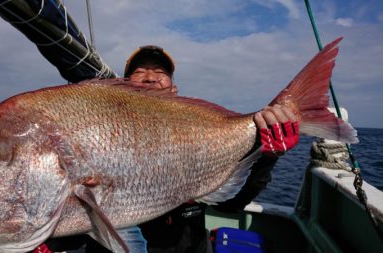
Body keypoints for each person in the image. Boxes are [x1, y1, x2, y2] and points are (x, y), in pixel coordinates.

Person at [123, 45, 299, 253]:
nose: (150, 78)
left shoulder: (198, 132)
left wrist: (267, 157)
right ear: (121, 87)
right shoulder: (100, 133)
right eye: (139, 72)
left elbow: (231, 204)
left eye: (160, 72)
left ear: (174, 90)